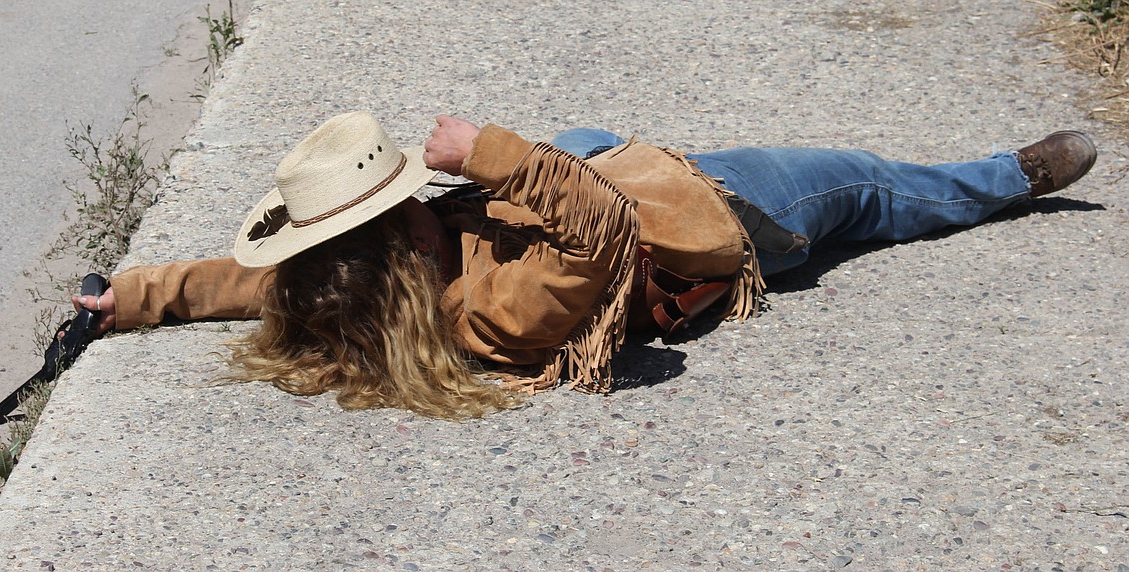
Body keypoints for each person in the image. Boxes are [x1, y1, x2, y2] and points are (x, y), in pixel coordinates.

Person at [73, 111, 1098, 419]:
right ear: (393, 258)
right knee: (878, 188)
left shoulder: (372, 277)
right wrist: (492, 156)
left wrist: (136, 298)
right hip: (718, 211)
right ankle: (1005, 177)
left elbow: (246, 279)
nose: (421, 212)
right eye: (400, 215)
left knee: (583, 135)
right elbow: (601, 228)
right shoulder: (503, 310)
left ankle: (586, 136)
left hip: (615, 170)